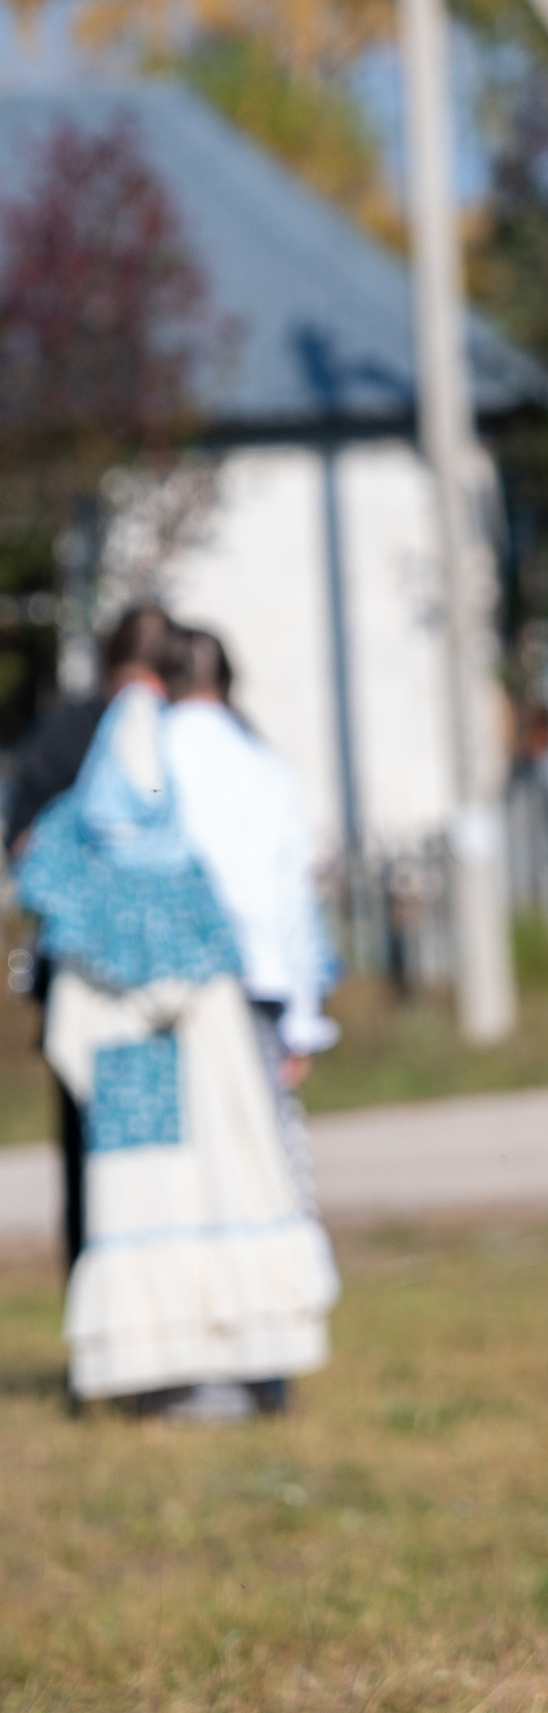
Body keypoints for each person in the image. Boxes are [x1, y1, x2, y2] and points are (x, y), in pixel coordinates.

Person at [15, 664, 337, 1416]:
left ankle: (181, 1375)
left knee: (158, 1201)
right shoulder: (231, 792)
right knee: (229, 1186)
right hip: (206, 1043)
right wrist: (301, 1010)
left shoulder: (72, 855)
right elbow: (288, 891)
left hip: (143, 1061)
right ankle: (242, 1371)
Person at [4, 604, 172, 1277]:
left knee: (99, 1159)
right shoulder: (94, 732)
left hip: (95, 978)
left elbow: (23, 846)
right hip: (135, 982)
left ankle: (104, 1310)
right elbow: (26, 843)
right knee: (139, 1160)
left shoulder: (78, 732)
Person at [162, 626, 339, 1232]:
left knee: (187, 1169)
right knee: (265, 1154)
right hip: (259, 983)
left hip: (169, 990)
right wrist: (303, 1017)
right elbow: (294, 897)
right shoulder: (263, 765)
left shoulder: (147, 758)